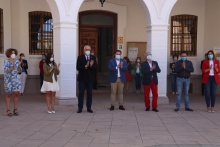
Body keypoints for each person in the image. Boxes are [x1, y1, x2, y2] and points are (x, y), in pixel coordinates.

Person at [76, 45, 97, 113]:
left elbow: (96, 68)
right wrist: (85, 66)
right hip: (82, 78)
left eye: (89, 50)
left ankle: (89, 107)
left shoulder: (93, 57)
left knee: (89, 93)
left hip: (90, 79)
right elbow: (78, 67)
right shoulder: (80, 57)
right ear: (84, 50)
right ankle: (80, 107)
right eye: (86, 49)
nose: (88, 51)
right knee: (81, 93)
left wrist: (91, 65)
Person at [4, 48, 21, 116]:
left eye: (14, 53)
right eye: (12, 53)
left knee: (16, 93)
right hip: (8, 80)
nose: (13, 54)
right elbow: (6, 71)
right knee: (8, 94)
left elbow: (19, 71)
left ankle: (15, 109)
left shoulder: (17, 61)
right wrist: (12, 66)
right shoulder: (6, 61)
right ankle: (8, 110)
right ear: (9, 54)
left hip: (16, 79)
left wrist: (19, 66)